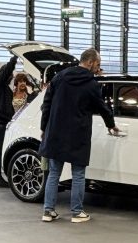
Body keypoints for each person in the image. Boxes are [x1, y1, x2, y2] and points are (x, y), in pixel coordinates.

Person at [39, 48, 120, 223]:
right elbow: (102, 106)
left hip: (56, 132)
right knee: (78, 174)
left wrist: (44, 127)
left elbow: (47, 103)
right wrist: (111, 125)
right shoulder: (91, 83)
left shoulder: (59, 77)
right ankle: (76, 213)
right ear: (90, 62)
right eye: (97, 64)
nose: (98, 68)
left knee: (54, 173)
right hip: (78, 134)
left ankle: (48, 211)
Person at [0, 56, 18, 188]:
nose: (11, 77)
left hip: (3, 122)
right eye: (10, 74)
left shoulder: (5, 88)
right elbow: (6, 72)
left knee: (1, 151)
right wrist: (14, 59)